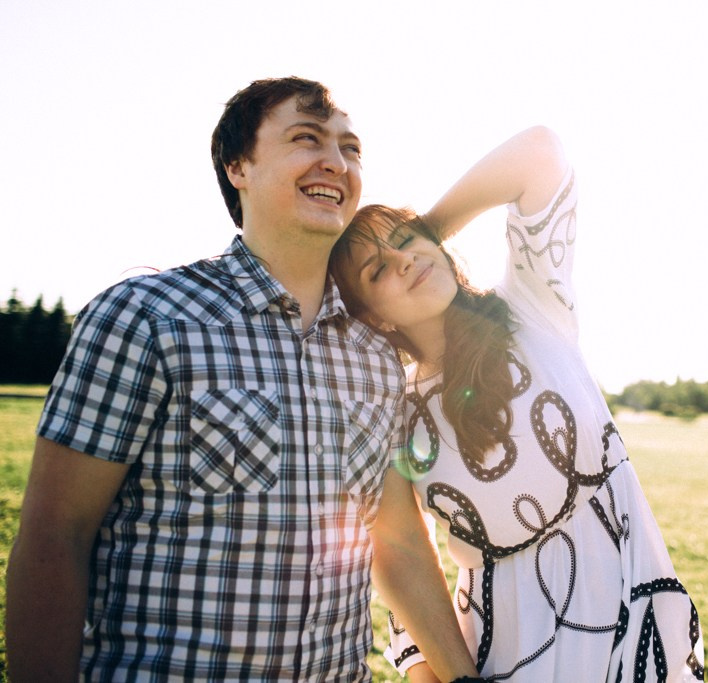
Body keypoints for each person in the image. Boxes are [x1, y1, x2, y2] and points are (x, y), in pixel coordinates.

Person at [5, 77, 479, 682]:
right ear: (238, 167)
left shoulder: (378, 356)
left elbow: (400, 545)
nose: (335, 162)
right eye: (306, 138)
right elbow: (55, 536)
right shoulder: (147, 316)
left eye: (350, 148)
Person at [330, 126, 706, 682]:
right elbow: (404, 556)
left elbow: (538, 153)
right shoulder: (393, 410)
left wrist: (427, 226)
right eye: (378, 270)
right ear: (372, 317)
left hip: (636, 618)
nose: (404, 261)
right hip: (506, 648)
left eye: (408, 241)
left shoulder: (532, 303)